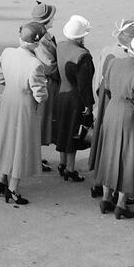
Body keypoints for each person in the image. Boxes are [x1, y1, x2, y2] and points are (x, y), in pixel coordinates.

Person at [92, 32, 134, 219]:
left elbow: (109, 88)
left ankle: (105, 198)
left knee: (109, 154)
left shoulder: (115, 63)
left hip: (112, 112)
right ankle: (121, 203)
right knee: (128, 158)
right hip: (130, 116)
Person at [49, 15, 94, 182]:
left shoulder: (60, 46)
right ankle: (70, 168)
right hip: (75, 100)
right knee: (74, 134)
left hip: (60, 95)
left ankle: (62, 163)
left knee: (62, 129)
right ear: (81, 36)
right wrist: (89, 105)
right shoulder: (83, 55)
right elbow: (85, 85)